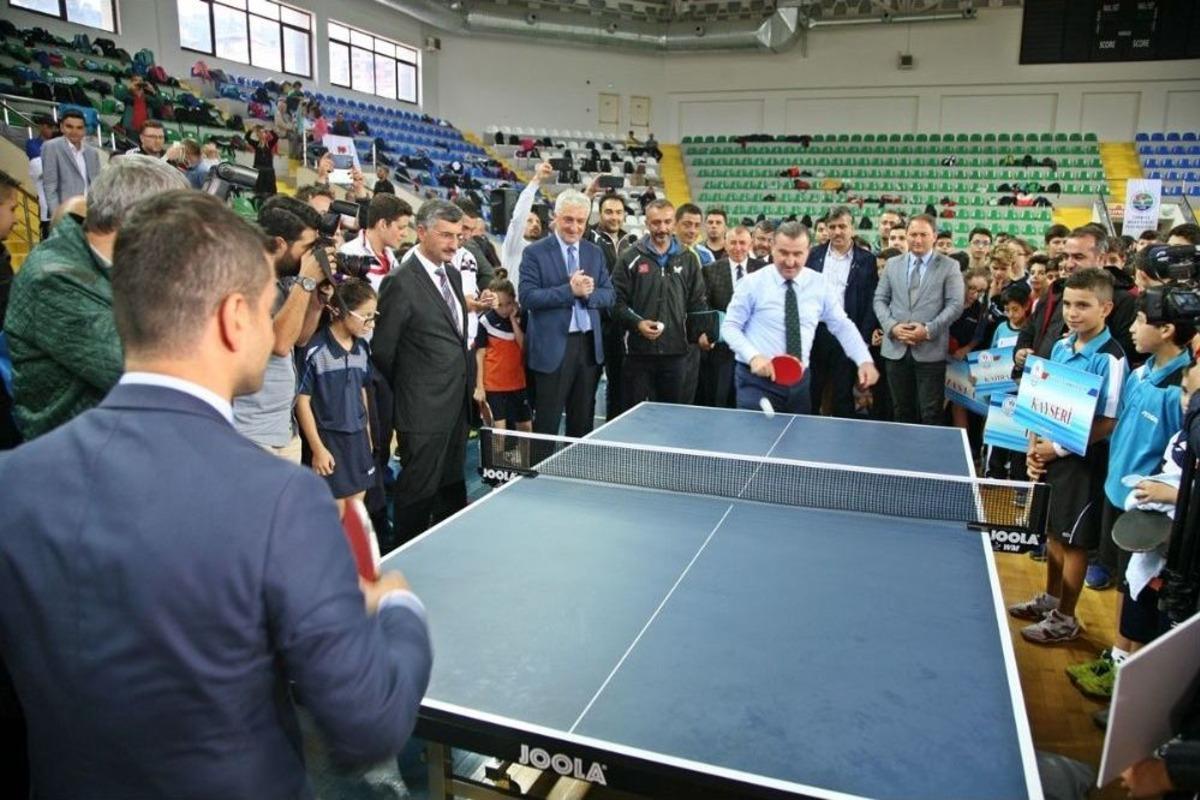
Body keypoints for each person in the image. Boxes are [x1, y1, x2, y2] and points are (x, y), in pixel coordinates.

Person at [0, 190, 432, 800]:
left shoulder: (14, 482)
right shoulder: (281, 500)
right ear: (233, 319)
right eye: (263, 309)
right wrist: (398, 612)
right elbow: (369, 724)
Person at [5, 155, 188, 440]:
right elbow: (150, 371)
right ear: (141, 220)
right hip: (74, 462)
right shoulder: (53, 278)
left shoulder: (116, 264)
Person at [1066, 299, 1194, 695]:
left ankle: (1130, 670)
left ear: (1168, 330)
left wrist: (1164, 494)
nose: (1133, 328)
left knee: (1138, 589)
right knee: (1124, 582)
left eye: (1140, 320)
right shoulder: (1140, 375)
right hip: (1116, 490)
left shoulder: (1181, 390)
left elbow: (1181, 457)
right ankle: (1119, 656)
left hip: (1149, 509)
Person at [1009, 268, 1127, 644]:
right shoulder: (1060, 346)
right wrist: (1034, 448)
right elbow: (1042, 404)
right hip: (1051, 454)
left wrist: (1055, 449)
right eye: (1068, 305)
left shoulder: (1110, 358)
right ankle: (1051, 598)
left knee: (1074, 540)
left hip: (1083, 463)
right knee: (1052, 532)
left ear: (1106, 308)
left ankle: (1066, 617)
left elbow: (1108, 421)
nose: (1073, 313)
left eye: (1083, 306)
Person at [372, 200, 471, 543]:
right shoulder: (399, 282)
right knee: (417, 494)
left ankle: (446, 551)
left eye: (458, 236)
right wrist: (415, 390)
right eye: (446, 235)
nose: (454, 244)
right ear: (422, 231)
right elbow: (383, 351)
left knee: (450, 490)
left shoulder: (453, 275)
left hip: (456, 405)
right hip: (421, 411)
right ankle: (407, 558)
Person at [722, 220, 878, 414]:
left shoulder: (819, 284)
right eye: (783, 253)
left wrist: (863, 359)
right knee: (756, 439)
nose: (790, 261)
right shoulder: (752, 284)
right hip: (756, 382)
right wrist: (753, 356)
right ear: (772, 248)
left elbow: (841, 324)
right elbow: (729, 327)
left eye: (797, 254)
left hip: (799, 382)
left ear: (808, 251)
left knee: (796, 440)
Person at [232, 197, 327, 462]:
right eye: (306, 248)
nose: (310, 257)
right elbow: (279, 344)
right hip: (250, 431)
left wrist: (317, 303)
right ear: (280, 244)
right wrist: (306, 280)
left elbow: (300, 339)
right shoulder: (246, 282)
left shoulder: (285, 284)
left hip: (283, 427)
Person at [520, 190, 613, 436]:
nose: (574, 227)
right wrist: (569, 291)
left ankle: (574, 473)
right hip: (552, 351)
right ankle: (539, 474)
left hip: (589, 350)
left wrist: (588, 294)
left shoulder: (594, 252)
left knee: (582, 423)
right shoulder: (535, 252)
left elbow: (609, 295)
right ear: (556, 217)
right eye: (568, 219)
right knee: (547, 425)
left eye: (580, 221)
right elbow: (527, 297)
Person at [872, 215, 966, 425]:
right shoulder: (893, 264)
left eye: (923, 234)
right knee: (900, 410)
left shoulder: (949, 266)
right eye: (913, 234)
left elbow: (955, 305)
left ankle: (928, 457)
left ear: (934, 236)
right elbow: (880, 299)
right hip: (895, 349)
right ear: (906, 236)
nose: (917, 239)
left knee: (930, 412)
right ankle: (903, 455)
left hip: (930, 351)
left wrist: (928, 330)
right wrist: (892, 327)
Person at [613, 199, 707, 408]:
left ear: (674, 223)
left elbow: (697, 302)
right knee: (632, 417)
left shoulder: (688, 258)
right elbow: (615, 302)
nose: (662, 228)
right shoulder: (630, 257)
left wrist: (701, 332)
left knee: (672, 416)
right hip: (638, 353)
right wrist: (637, 324)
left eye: (667, 222)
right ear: (646, 223)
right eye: (656, 222)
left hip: (676, 353)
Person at [297, 278, 379, 516]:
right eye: (366, 315)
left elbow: (363, 390)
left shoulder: (362, 348)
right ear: (339, 310)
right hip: (330, 441)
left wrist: (369, 435)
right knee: (336, 513)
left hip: (358, 440)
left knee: (356, 509)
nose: (371, 323)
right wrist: (318, 449)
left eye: (374, 315)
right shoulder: (315, 350)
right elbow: (302, 402)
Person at [806, 206, 879, 417]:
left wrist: (863, 338)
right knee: (811, 391)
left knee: (842, 395)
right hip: (816, 334)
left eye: (842, 226)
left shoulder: (867, 260)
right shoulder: (813, 255)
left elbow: (870, 303)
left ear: (852, 228)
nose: (837, 231)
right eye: (832, 227)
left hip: (847, 333)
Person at [698, 225, 763, 408]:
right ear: (725, 244)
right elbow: (706, 306)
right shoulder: (710, 270)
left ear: (750, 244)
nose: (738, 247)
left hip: (755, 346)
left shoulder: (764, 269)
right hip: (722, 347)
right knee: (720, 397)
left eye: (742, 243)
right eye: (733, 242)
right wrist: (710, 332)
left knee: (752, 399)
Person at [585, 192, 637, 420]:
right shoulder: (589, 237)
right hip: (593, 321)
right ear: (599, 213)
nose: (614, 217)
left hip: (621, 323)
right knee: (587, 385)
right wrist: (587, 195)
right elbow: (579, 219)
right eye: (608, 212)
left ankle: (614, 431)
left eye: (618, 212)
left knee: (619, 383)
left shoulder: (633, 241)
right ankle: (582, 436)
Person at [473, 279, 531, 456]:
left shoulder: (521, 318)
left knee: (526, 427)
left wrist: (514, 321)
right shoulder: (484, 322)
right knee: (499, 431)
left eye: (508, 304)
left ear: (514, 301)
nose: (504, 309)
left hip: (518, 383)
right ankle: (498, 471)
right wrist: (480, 387)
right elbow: (480, 354)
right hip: (494, 386)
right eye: (500, 305)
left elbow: (523, 346)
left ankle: (524, 464)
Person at [339, 193, 413, 291]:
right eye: (401, 228)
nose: (405, 234)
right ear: (383, 224)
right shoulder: (349, 252)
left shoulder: (390, 257)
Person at [40, 111, 100, 218]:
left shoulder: (92, 152)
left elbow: (96, 185)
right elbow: (50, 186)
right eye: (69, 127)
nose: (74, 131)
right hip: (66, 215)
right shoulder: (51, 147)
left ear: (84, 130)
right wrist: (57, 217)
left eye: (79, 128)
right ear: (62, 127)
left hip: (90, 214)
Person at [502, 161, 553, 278]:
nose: (535, 224)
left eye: (538, 222)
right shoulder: (514, 244)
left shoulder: (543, 251)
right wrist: (536, 180)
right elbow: (519, 216)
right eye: (529, 221)